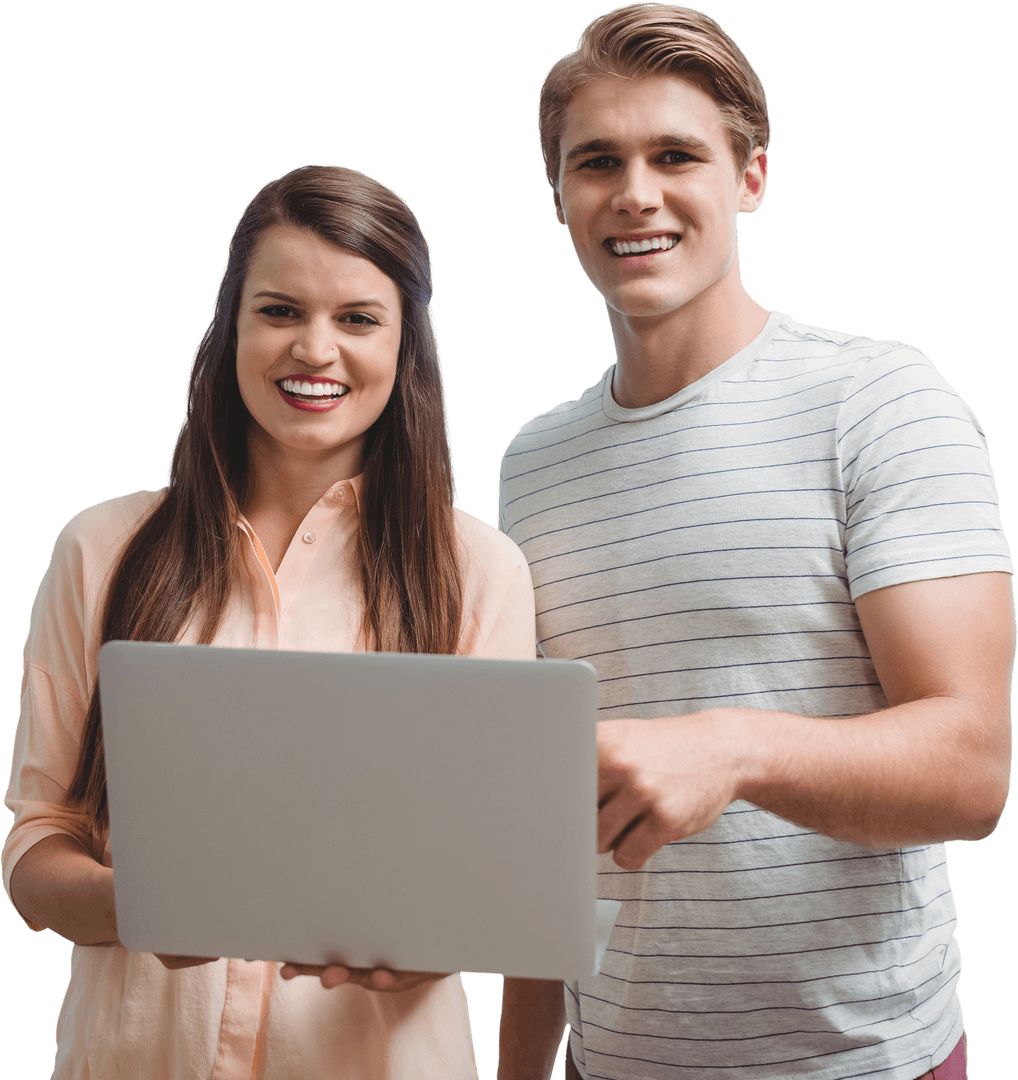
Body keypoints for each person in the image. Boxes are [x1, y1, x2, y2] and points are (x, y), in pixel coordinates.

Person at [495, 5, 1013, 1080]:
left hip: (863, 1064)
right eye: (596, 162)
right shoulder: (531, 463)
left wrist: (732, 749)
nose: (633, 191)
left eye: (674, 154)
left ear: (750, 178)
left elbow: (972, 768)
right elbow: (544, 814)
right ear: (558, 200)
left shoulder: (876, 400)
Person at [3, 164, 535, 1079]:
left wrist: (422, 937)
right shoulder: (100, 548)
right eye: (280, 311)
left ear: (409, 347)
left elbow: (488, 882)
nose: (314, 350)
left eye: (358, 319)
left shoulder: (477, 570)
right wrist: (144, 908)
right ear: (230, 329)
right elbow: (35, 846)